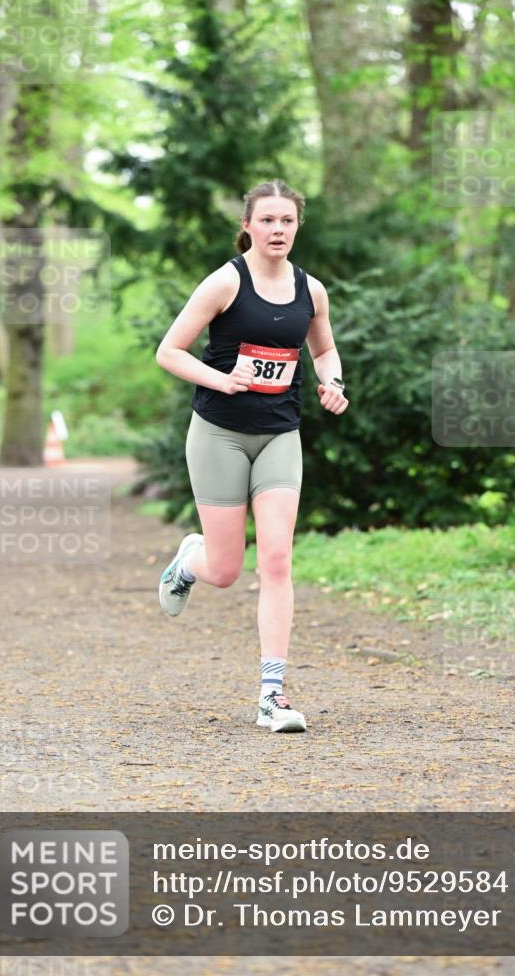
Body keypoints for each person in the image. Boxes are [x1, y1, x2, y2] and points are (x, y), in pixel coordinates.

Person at [155, 179, 348, 733]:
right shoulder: (224, 282)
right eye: (267, 220)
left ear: (297, 226)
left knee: (277, 561)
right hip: (218, 433)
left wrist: (331, 382)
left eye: (287, 221)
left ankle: (272, 695)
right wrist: (223, 377)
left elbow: (324, 348)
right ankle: (188, 563)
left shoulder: (312, 291)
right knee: (224, 570)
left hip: (279, 436)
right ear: (248, 226)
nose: (277, 230)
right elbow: (169, 351)